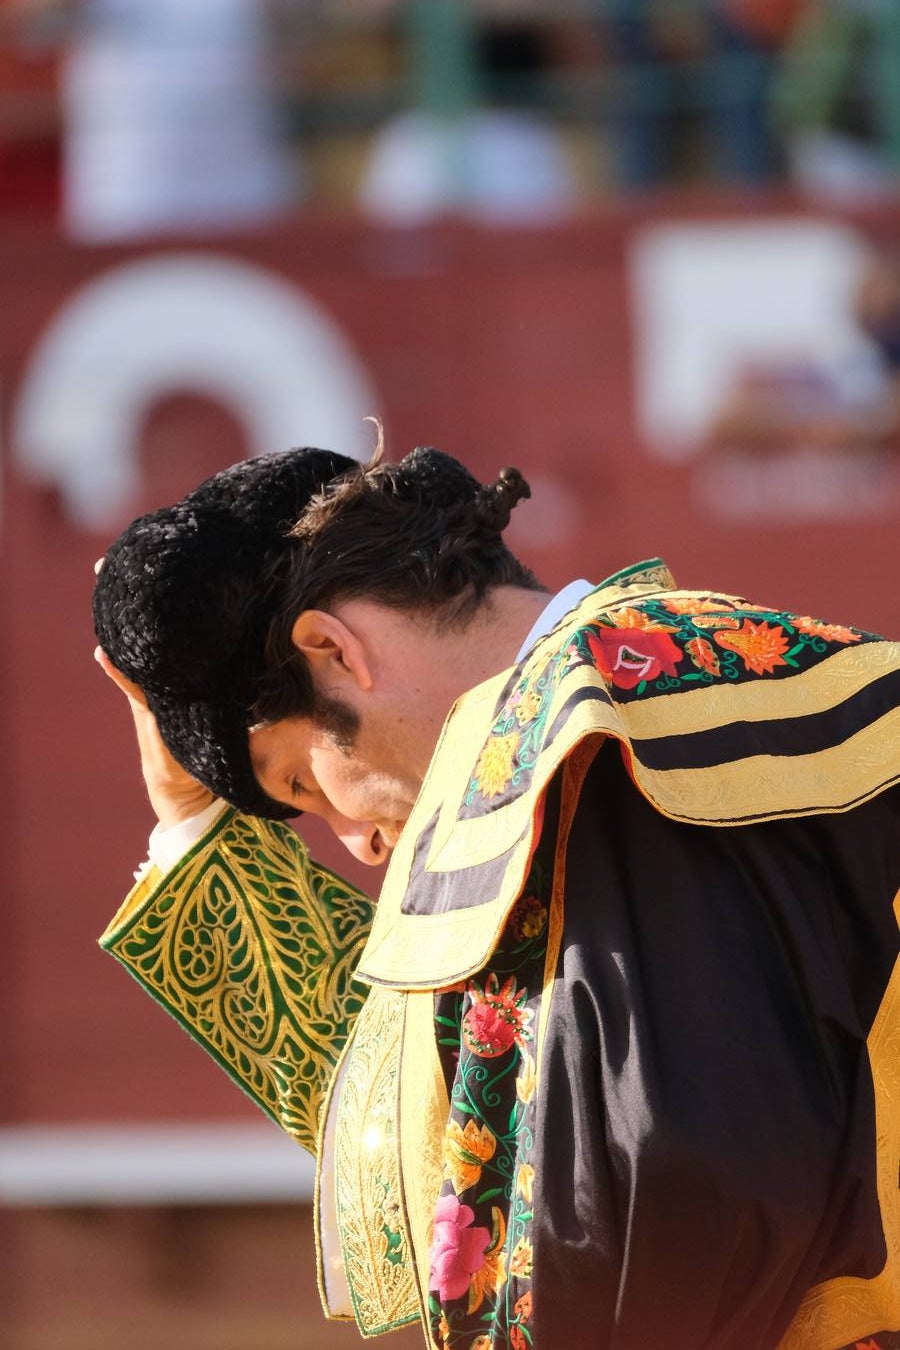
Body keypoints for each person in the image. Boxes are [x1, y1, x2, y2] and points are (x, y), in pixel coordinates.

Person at [93, 437, 900, 1349]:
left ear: (333, 649)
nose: (357, 843)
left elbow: (649, 1187)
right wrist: (191, 831)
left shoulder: (577, 743)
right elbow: (474, 1141)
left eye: (303, 787)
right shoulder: (702, 667)